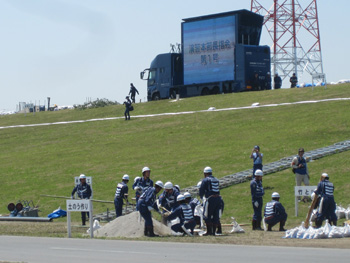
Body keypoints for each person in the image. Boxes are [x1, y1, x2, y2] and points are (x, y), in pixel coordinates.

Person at [199, 166, 221, 236]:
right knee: (215, 215)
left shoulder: (205, 180)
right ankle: (214, 232)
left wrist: (201, 197)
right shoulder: (216, 179)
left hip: (210, 199)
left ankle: (209, 231)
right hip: (218, 198)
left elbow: (201, 190)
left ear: (205, 173)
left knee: (207, 215)